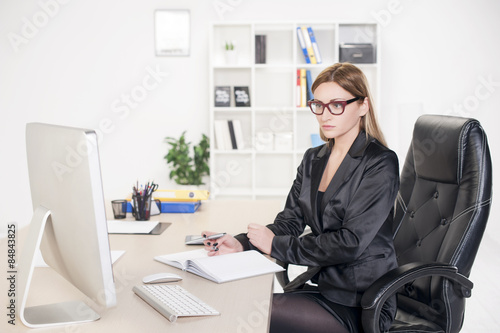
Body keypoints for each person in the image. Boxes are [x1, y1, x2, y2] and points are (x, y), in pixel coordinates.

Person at [203, 62, 399, 333]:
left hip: (361, 300)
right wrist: (240, 244)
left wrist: (278, 247)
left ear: (363, 106)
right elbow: (289, 222)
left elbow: (350, 243)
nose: (324, 114)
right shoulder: (313, 160)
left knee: (249, 313)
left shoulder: (380, 163)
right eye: (318, 104)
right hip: (323, 286)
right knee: (242, 303)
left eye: (337, 104)